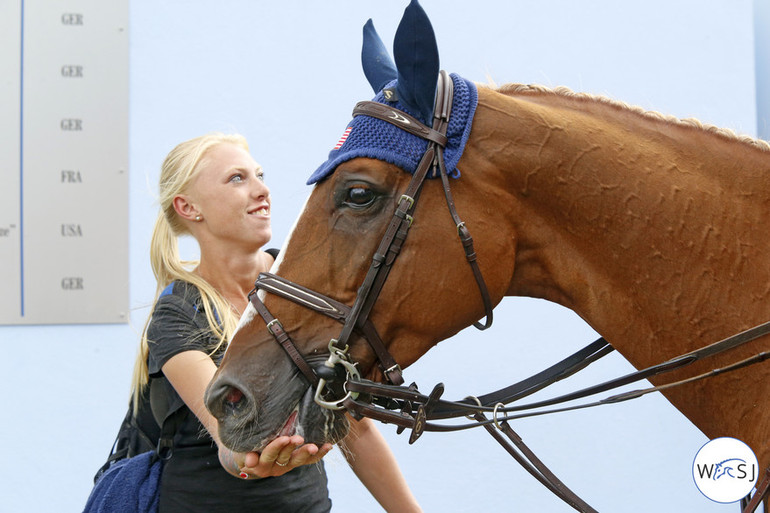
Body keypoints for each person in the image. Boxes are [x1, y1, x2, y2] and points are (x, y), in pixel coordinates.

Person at [130, 133, 423, 512]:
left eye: (259, 175)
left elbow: (357, 427)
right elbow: (229, 444)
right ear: (188, 207)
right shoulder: (178, 314)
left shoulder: (306, 287)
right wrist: (252, 458)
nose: (262, 190)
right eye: (238, 179)